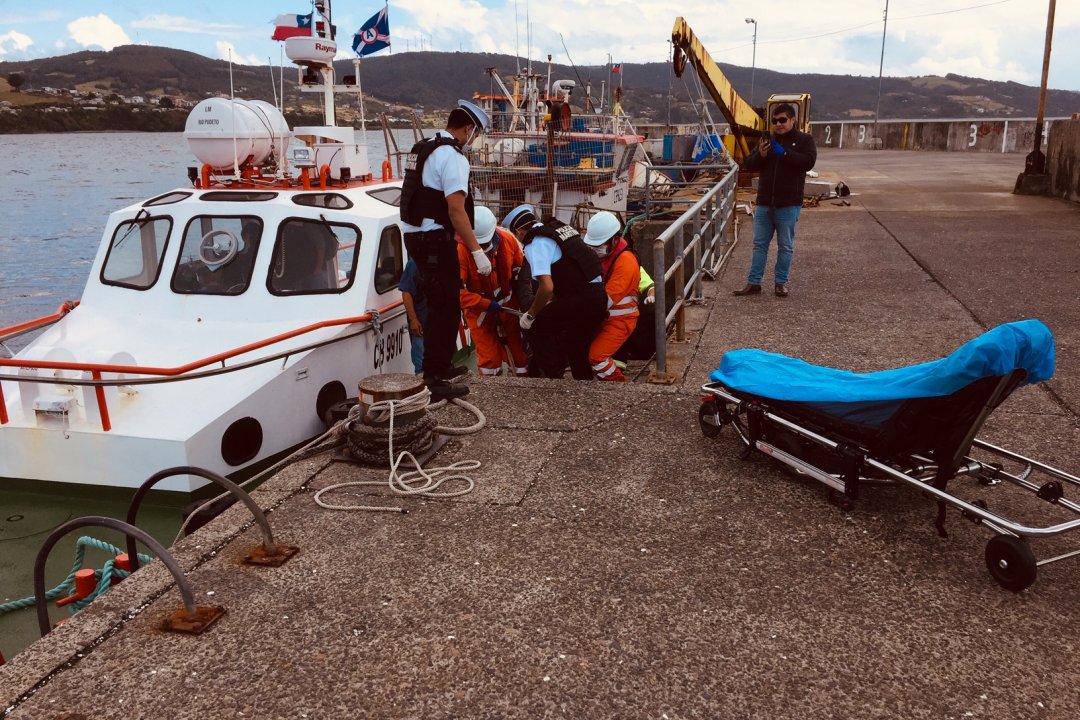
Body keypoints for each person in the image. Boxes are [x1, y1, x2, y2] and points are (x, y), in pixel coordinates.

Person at [400, 99, 492, 400]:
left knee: (440, 301)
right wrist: (476, 251)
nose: (473, 140)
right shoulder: (453, 157)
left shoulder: (424, 147)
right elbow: (455, 209)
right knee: (446, 307)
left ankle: (440, 365)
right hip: (434, 240)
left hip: (416, 237)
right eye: (475, 134)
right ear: (468, 129)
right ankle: (434, 378)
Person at [502, 204, 608, 380]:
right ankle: (584, 384)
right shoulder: (560, 229)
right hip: (598, 296)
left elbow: (547, 287)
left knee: (536, 327)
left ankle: (554, 380)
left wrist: (531, 314)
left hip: (581, 299)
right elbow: (567, 273)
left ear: (519, 231)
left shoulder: (535, 243)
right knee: (575, 344)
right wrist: (550, 302)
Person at [733, 102, 817, 298]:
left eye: (782, 120)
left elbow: (808, 162)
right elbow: (749, 164)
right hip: (764, 203)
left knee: (785, 246)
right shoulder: (767, 140)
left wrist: (785, 153)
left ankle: (780, 283)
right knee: (759, 245)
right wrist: (761, 154)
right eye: (775, 121)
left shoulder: (804, 140)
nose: (778, 124)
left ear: (792, 120)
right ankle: (754, 283)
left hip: (788, 204)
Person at [457, 206, 530, 377]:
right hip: (479, 312)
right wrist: (484, 304)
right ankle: (490, 390)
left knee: (519, 358)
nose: (482, 246)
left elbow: (521, 272)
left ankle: (523, 385)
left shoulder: (508, 240)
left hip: (509, 308)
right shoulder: (460, 251)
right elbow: (455, 292)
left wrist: (526, 303)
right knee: (490, 361)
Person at [582, 211, 640, 382]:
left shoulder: (626, 262)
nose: (595, 249)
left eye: (599, 245)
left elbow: (605, 300)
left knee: (597, 357)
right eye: (592, 246)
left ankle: (619, 385)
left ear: (615, 240)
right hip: (605, 317)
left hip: (620, 320)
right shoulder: (606, 256)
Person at [399, 258, 426, 375]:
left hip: (438, 322)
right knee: (421, 364)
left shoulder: (442, 260)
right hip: (422, 321)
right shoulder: (414, 263)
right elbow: (406, 292)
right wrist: (413, 319)